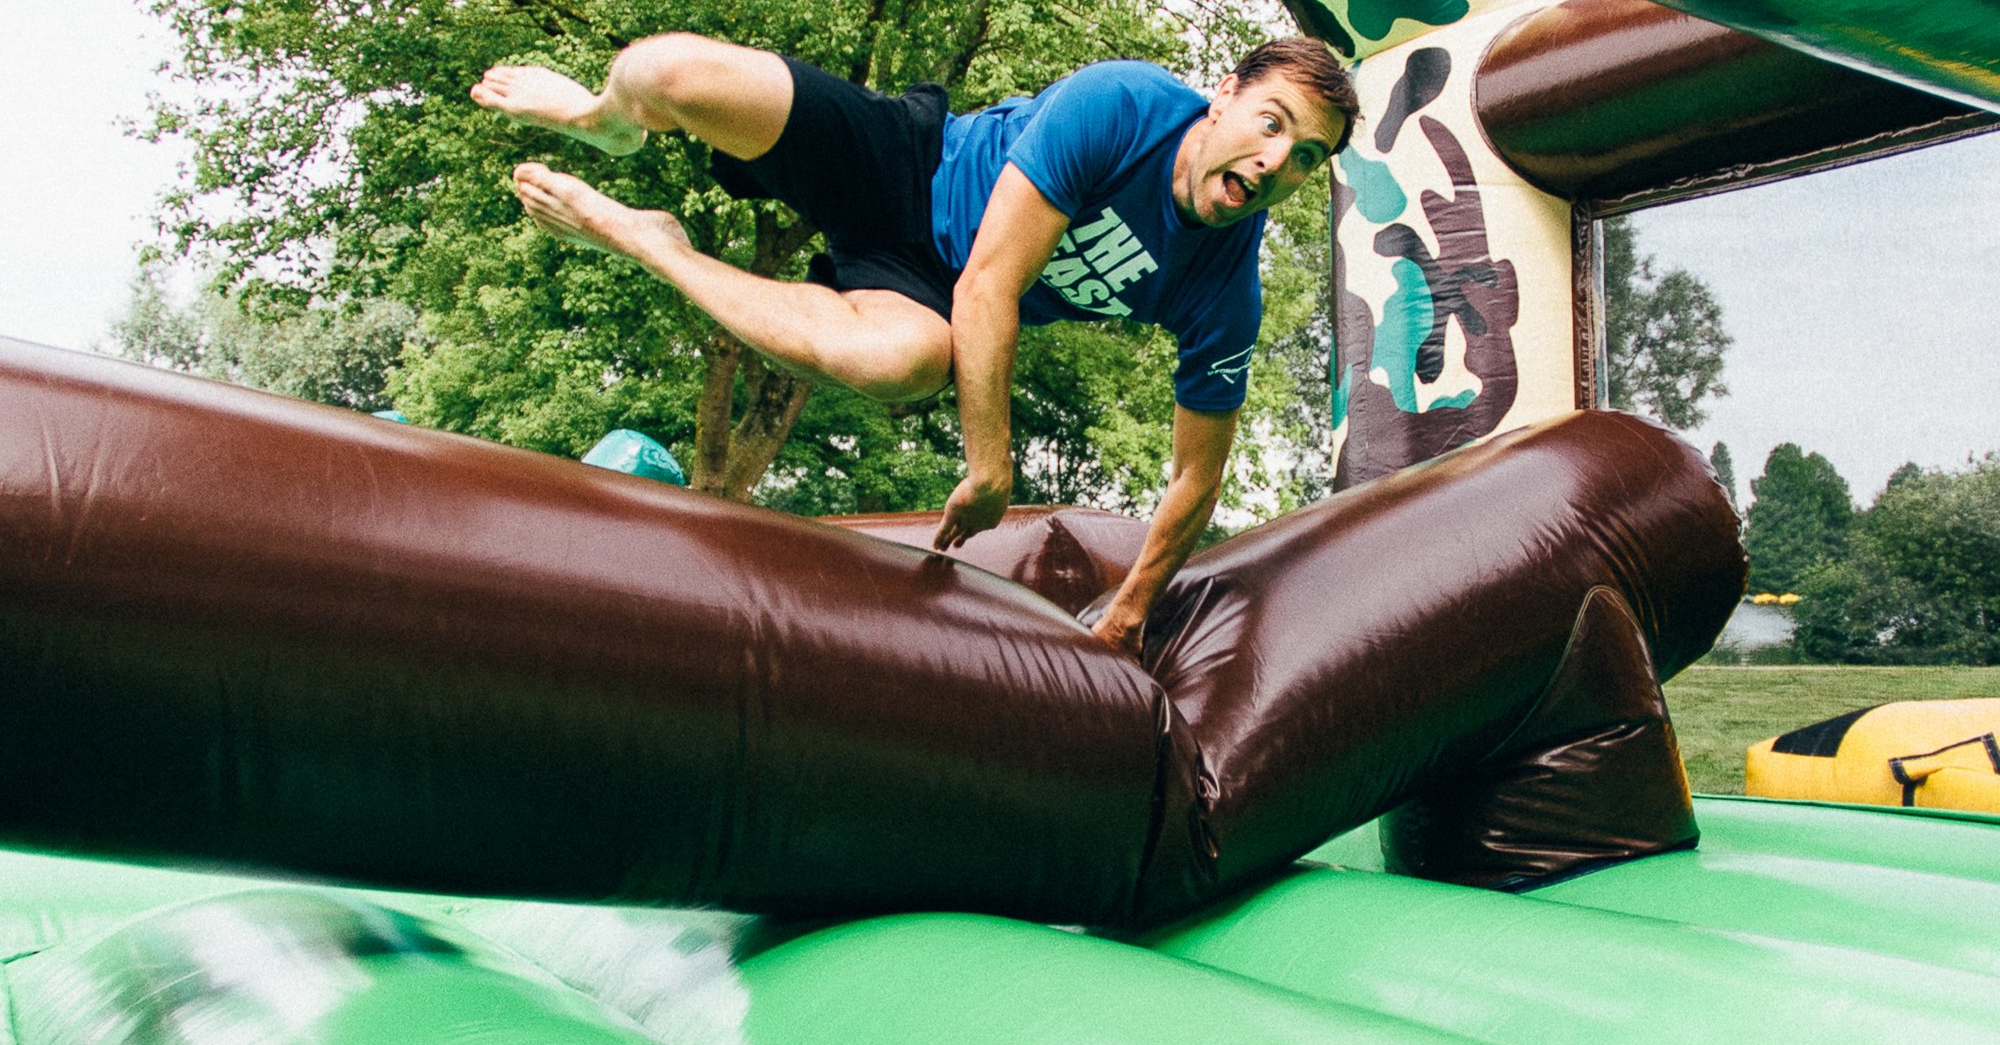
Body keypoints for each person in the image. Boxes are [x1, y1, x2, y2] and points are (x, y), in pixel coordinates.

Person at [471, 33, 1358, 655]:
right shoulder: (1122, 105)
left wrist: (1128, 616)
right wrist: (990, 465)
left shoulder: (1223, 290)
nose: (1277, 161)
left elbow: (1196, 476)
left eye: (1307, 158)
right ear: (1224, 98)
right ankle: (604, 118)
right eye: (1272, 123)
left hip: (918, 294)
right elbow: (991, 286)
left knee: (901, 366)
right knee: (666, 73)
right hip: (904, 162)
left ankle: (652, 242)